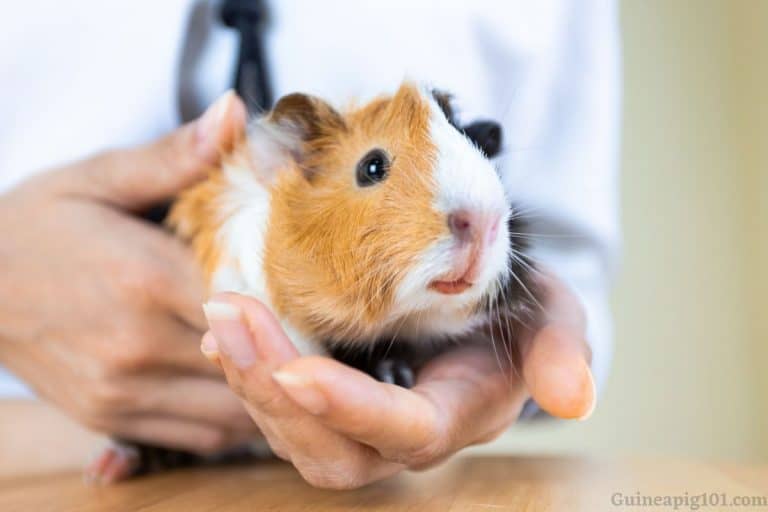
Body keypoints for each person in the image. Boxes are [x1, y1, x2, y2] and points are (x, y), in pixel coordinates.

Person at [0, 0, 619, 489]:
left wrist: (523, 346)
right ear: (294, 162)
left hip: (410, 487)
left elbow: (567, 263)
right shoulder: (269, 208)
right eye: (375, 171)